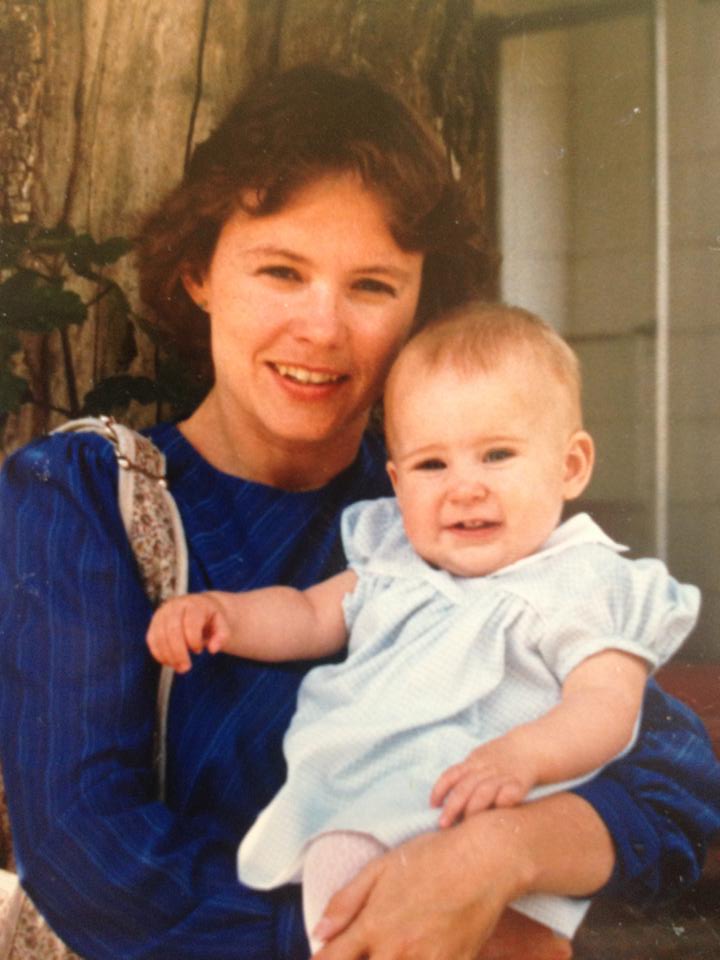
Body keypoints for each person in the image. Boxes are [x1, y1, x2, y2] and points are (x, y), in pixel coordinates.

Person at [0, 66, 718, 960]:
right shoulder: (88, 494)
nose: (322, 327)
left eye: (373, 285)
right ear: (198, 275)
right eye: (281, 271)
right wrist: (373, 932)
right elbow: (87, 853)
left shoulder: (443, 522)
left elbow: (676, 775)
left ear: (421, 301)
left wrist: (499, 856)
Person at [146, 303, 700, 952]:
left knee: (510, 942)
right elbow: (309, 615)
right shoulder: (391, 563)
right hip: (366, 804)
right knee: (346, 908)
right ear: (397, 482)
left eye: (496, 455)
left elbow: (607, 706)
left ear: (570, 465)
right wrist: (226, 615)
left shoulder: (582, 581)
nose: (463, 488)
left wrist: (524, 756)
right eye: (433, 466)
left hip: (503, 806)